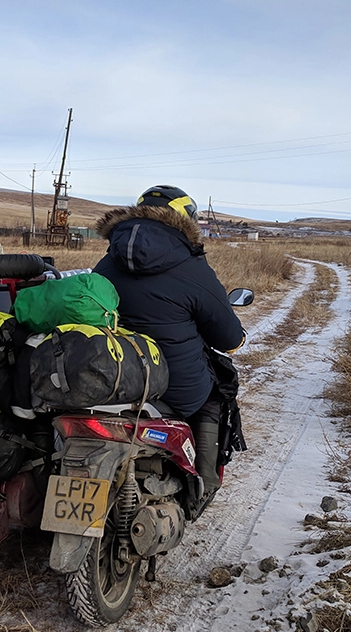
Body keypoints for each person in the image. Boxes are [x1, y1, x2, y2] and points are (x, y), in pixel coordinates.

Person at [93, 185, 245, 498]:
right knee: (217, 392)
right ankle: (202, 484)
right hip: (173, 387)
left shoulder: (108, 260)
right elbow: (228, 338)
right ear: (186, 221)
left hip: (110, 376)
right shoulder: (192, 267)